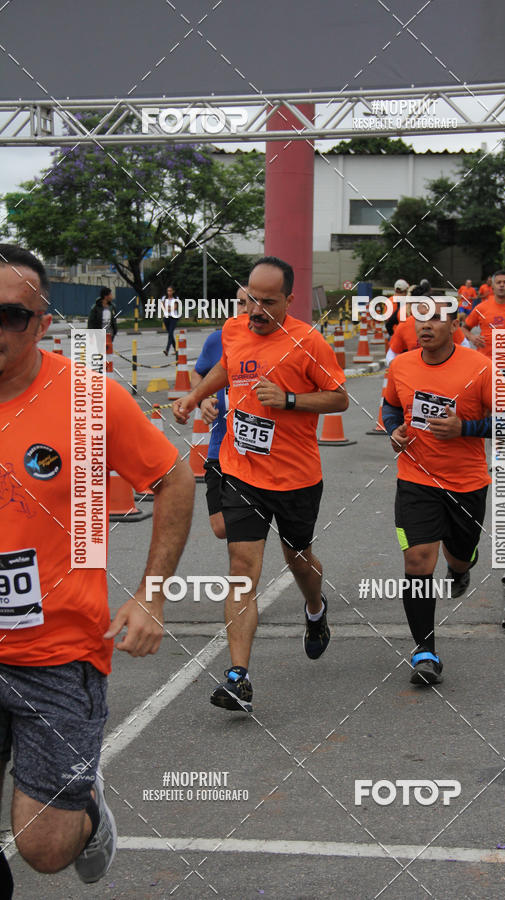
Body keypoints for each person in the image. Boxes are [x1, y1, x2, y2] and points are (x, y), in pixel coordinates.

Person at [0, 244, 194, 892]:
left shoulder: (88, 400)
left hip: (58, 651)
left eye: (12, 316)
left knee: (46, 850)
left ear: (42, 320)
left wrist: (151, 595)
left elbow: (174, 476)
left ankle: (84, 808)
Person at [173, 256, 348, 713]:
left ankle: (315, 610)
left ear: (290, 299)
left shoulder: (309, 341)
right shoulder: (233, 330)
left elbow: (339, 397)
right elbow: (227, 369)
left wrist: (290, 400)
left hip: (296, 477)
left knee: (298, 558)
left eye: (269, 301)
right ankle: (238, 677)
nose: (257, 309)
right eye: (251, 297)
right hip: (240, 469)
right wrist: (197, 396)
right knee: (241, 566)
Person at [382, 298, 494, 686]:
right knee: (417, 561)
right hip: (416, 478)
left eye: (435, 319)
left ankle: (463, 563)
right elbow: (391, 406)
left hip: (467, 482)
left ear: (454, 325)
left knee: (459, 555)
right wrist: (394, 429)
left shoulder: (479, 367)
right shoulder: (401, 365)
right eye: (419, 319)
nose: (425, 326)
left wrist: (464, 428)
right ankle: (425, 651)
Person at [191, 287, 248, 539]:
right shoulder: (218, 339)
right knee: (220, 527)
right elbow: (198, 373)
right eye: (240, 303)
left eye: (252, 302)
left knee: (244, 530)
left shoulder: (273, 344)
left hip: (253, 453)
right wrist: (201, 400)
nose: (245, 308)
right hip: (219, 447)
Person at [463, 269, 505, 376]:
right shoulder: (481, 308)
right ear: (493, 286)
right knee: (488, 393)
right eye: (498, 282)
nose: (501, 285)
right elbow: (464, 328)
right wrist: (472, 337)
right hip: (487, 361)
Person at [162, 285, 180, 356]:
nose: (169, 292)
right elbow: (163, 307)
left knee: (170, 333)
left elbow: (175, 308)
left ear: (173, 291)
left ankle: (167, 350)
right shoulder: (164, 298)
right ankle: (176, 350)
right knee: (170, 334)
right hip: (166, 317)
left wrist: (168, 308)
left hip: (174, 317)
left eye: (170, 291)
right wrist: (169, 308)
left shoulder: (176, 298)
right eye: (168, 291)